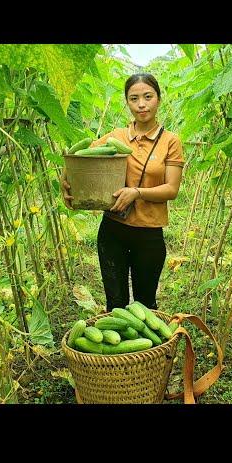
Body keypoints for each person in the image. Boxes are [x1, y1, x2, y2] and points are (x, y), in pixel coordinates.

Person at [61, 73, 184, 311]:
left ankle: (148, 350)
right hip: (113, 230)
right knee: (115, 304)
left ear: (158, 99)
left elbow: (172, 189)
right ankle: (120, 348)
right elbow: (78, 158)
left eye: (148, 97)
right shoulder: (116, 137)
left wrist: (136, 193)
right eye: (134, 98)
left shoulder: (170, 141)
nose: (141, 104)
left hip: (149, 234)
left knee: (145, 305)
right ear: (127, 102)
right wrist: (64, 181)